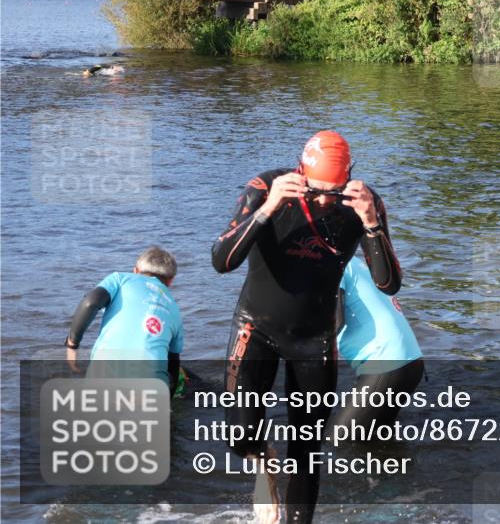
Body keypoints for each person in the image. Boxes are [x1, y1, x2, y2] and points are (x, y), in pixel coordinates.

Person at [212, 130, 402, 524]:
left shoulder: (364, 203)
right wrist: (268, 209)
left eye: (332, 194)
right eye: (314, 190)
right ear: (299, 171)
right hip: (256, 328)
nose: (321, 201)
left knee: (307, 450)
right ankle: (265, 462)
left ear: (349, 178)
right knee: (240, 437)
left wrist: (371, 224)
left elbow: (389, 284)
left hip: (314, 340)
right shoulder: (264, 187)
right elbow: (221, 260)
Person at [64, 247, 184, 392]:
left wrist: (72, 343)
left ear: (135, 270)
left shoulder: (120, 279)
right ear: (171, 281)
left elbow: (90, 302)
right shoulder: (175, 310)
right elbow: (173, 365)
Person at [334, 257, 423, 429]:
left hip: (387, 365)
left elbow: (334, 322)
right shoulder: (349, 259)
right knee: (375, 439)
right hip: (408, 361)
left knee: (337, 441)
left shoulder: (331, 264)